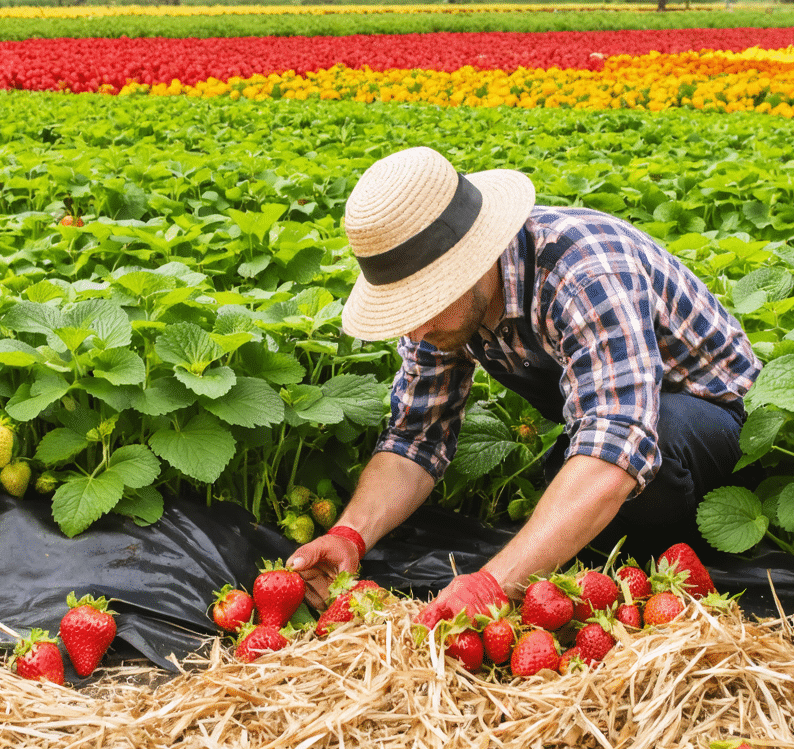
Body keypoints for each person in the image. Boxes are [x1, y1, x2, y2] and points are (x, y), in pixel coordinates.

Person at [286, 147, 760, 621]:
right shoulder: (440, 318)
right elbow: (416, 436)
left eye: (423, 302)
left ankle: (676, 575)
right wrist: (349, 534)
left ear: (471, 262)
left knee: (637, 461)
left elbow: (618, 442)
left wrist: (493, 582)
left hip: (717, 425)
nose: (415, 332)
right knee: (564, 481)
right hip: (610, 427)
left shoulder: (584, 269)